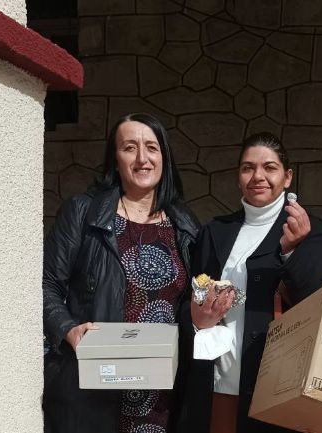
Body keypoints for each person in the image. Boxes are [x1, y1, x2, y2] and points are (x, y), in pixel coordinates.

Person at [42, 113, 200, 433]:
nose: (142, 158)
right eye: (129, 147)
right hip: (93, 387)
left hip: (161, 395)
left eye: (151, 147)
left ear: (164, 158)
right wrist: (69, 330)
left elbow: (191, 301)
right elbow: (46, 285)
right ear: (115, 160)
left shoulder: (185, 225)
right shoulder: (83, 213)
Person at [177, 132, 322, 433]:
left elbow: (316, 302)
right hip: (216, 382)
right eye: (248, 168)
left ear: (287, 177)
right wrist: (196, 318)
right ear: (238, 178)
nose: (258, 176)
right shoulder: (215, 231)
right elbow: (190, 298)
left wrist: (291, 251)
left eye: (269, 167)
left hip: (274, 387)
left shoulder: (310, 231)